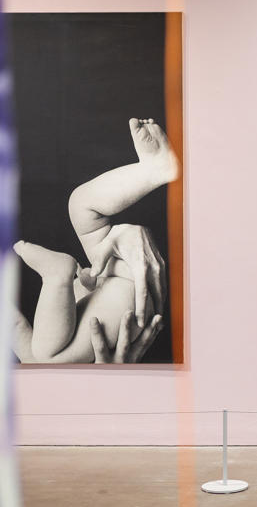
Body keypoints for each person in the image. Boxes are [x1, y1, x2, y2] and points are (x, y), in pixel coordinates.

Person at [13, 118, 177, 363]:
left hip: (110, 280)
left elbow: (14, 326)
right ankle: (57, 277)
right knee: (79, 204)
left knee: (80, 203)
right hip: (120, 292)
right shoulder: (35, 359)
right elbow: (13, 324)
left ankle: (152, 169)